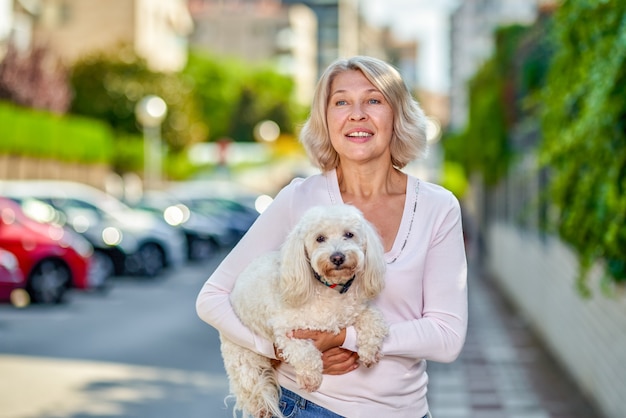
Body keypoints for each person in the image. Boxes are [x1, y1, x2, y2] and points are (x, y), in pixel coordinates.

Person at [196, 55, 468, 418]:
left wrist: (344, 338)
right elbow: (212, 298)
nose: (357, 114)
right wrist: (279, 348)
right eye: (341, 101)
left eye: (373, 100)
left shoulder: (438, 207)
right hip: (305, 406)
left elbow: (447, 336)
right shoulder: (299, 198)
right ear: (326, 119)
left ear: (397, 115)